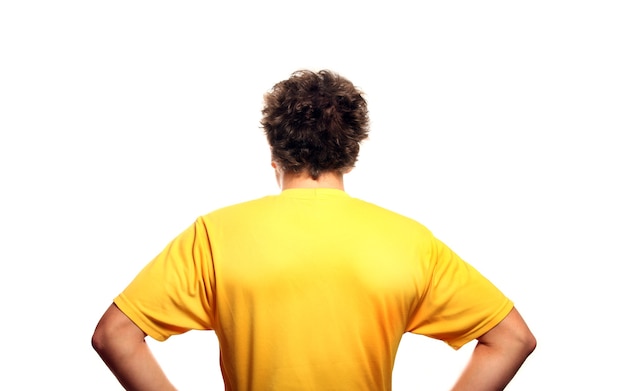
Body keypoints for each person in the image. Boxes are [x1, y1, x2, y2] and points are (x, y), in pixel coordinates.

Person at [92, 69, 536, 391]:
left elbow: (114, 334)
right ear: (350, 153)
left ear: (274, 152)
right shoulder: (411, 241)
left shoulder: (215, 234)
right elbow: (512, 338)